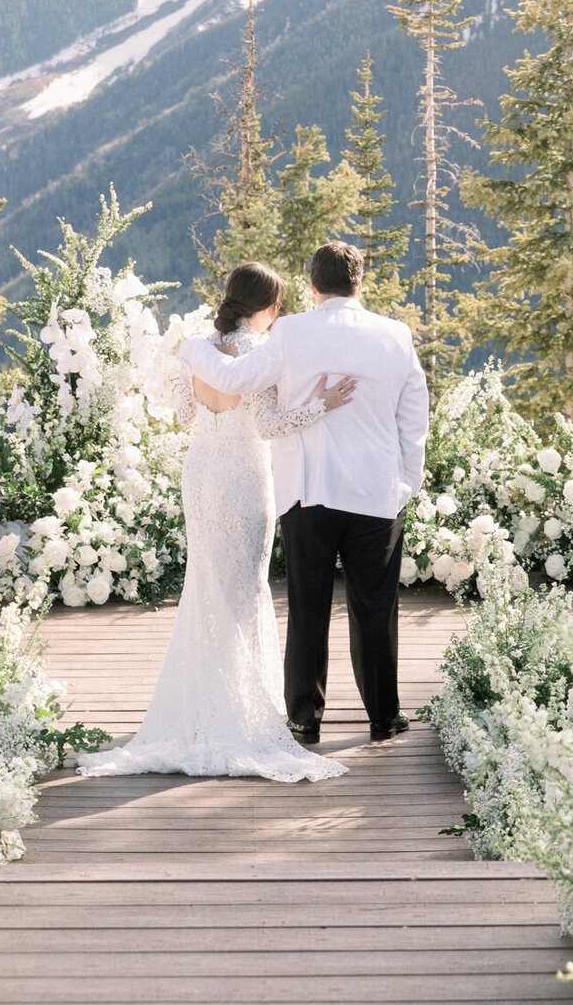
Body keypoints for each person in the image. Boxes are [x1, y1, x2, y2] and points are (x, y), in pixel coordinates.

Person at [79, 261, 353, 783]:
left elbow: (184, 415)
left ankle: (202, 707)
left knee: (204, 587)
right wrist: (321, 404)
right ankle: (238, 711)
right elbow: (270, 425)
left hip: (201, 471)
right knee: (244, 591)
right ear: (267, 307)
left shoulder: (199, 350)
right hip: (245, 477)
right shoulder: (263, 354)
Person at [180, 241, 430, 744]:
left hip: (307, 492)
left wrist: (190, 347)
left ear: (313, 287)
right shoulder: (396, 336)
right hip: (378, 492)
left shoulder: (291, 332)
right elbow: (414, 418)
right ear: (360, 283)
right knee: (375, 607)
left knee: (308, 607)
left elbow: (235, 377)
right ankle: (383, 717)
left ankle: (303, 720)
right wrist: (407, 483)